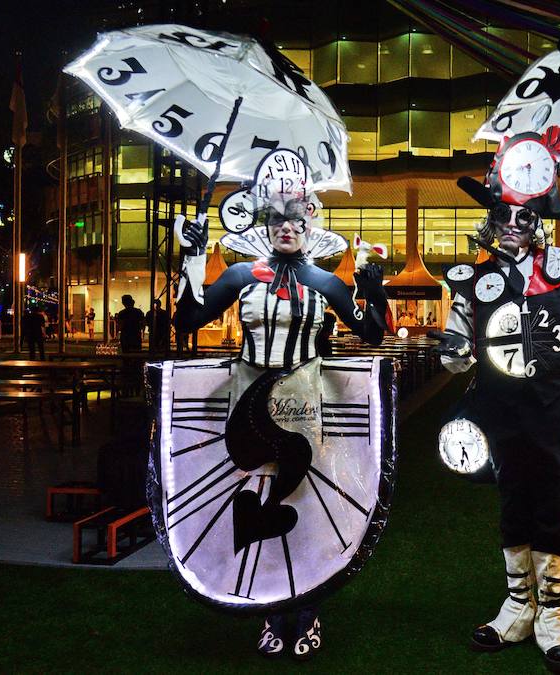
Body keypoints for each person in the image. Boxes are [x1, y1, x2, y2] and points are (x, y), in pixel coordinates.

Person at [431, 127, 560, 673]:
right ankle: (517, 606)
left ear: (538, 221)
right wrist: (453, 351)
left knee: (550, 507)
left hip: (554, 408)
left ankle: (552, 615)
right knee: (511, 503)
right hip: (497, 412)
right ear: (491, 218)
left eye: (524, 218)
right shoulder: (470, 281)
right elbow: (456, 355)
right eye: (504, 215)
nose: (514, 226)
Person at [168, 167, 392, 662]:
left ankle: (307, 611)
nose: (287, 227)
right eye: (276, 218)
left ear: (310, 223)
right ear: (264, 222)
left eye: (296, 219)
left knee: (305, 507)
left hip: (305, 407)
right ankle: (270, 609)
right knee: (256, 499)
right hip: (248, 408)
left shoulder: (324, 282)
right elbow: (187, 321)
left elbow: (372, 333)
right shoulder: (241, 276)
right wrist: (193, 257)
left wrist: (373, 289)